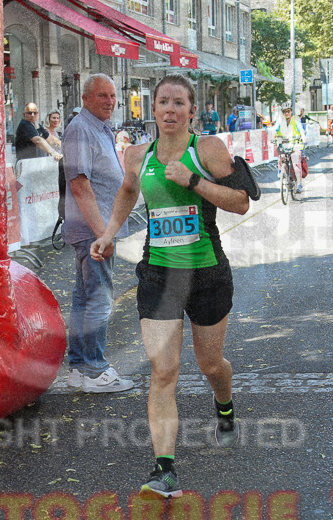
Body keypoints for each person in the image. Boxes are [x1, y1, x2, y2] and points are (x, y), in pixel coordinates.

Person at [90, 74, 251, 498]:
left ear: (191, 111)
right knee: (164, 371)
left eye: (179, 102)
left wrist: (193, 181)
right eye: (163, 101)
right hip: (159, 276)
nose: (170, 109)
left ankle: (224, 405)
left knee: (210, 365)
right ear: (153, 108)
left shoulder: (207, 149)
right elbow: (128, 192)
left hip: (206, 274)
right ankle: (164, 470)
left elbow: (240, 202)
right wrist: (108, 233)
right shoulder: (137, 155)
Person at [62, 73, 135, 392]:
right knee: (98, 299)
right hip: (94, 231)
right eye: (102, 95)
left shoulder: (98, 127)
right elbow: (80, 185)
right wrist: (103, 234)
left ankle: (80, 368)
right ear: (86, 98)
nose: (110, 101)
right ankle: (95, 370)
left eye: (112, 95)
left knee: (85, 298)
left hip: (96, 230)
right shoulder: (81, 128)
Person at [272, 105, 306, 193]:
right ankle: (281, 171)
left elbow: (301, 130)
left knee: (295, 164)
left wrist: (303, 137)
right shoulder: (280, 121)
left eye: (288, 111)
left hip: (295, 144)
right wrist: (273, 137)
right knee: (281, 156)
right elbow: (275, 130)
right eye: (285, 112)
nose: (286, 113)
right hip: (284, 144)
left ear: (291, 112)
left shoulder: (296, 120)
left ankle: (299, 184)